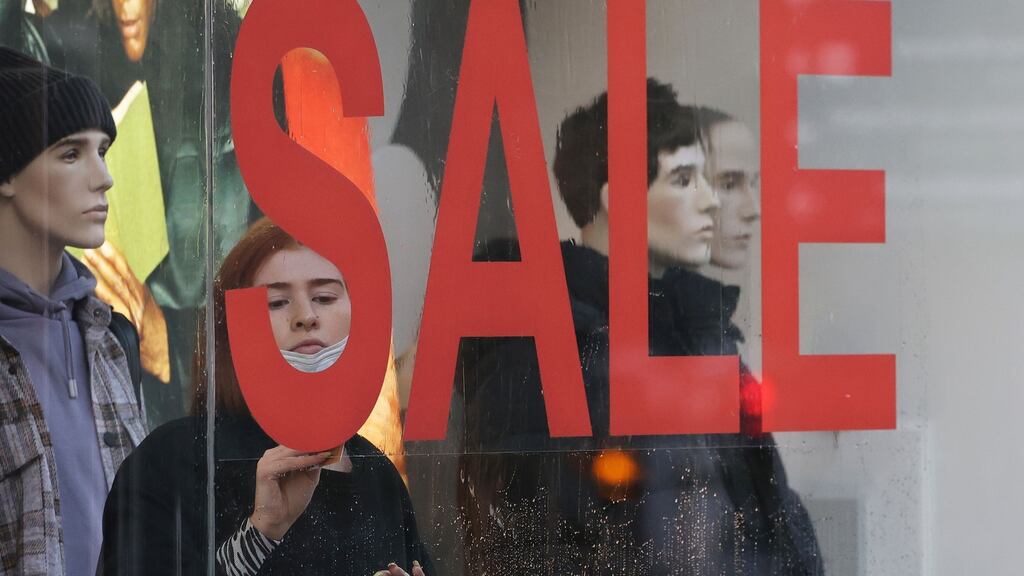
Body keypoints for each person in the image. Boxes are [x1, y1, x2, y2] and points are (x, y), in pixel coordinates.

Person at [458, 80, 821, 574]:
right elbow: (532, 547)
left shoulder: (696, 331)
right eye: (684, 178)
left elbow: (769, 514)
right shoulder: (543, 347)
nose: (711, 200)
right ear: (618, 198)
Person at [98, 218, 432, 576]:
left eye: (324, 297)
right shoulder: (174, 459)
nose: (305, 316)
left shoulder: (375, 471)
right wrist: (261, 532)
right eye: (277, 302)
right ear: (231, 328)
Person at [0, 47, 147, 576]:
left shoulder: (116, 341)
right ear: (6, 174)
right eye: (70, 153)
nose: (103, 177)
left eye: (102, 151)